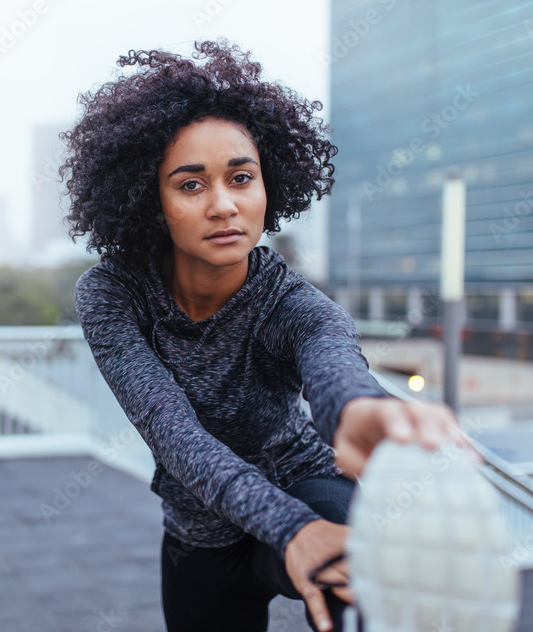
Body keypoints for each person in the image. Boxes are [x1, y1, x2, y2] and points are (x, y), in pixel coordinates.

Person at [62, 40, 466, 632]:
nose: (223, 205)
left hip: (306, 484)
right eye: (191, 184)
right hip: (198, 530)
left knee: (354, 575)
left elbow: (334, 367)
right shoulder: (112, 293)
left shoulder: (297, 306)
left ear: (269, 186)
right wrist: (289, 530)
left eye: (241, 177)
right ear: (153, 199)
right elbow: (177, 437)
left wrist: (357, 411)